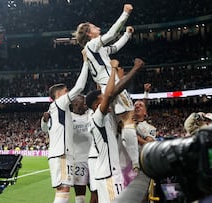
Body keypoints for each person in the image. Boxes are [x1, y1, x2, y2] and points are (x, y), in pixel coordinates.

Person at [74, 4, 140, 173]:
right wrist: (125, 14)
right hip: (113, 87)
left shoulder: (96, 50)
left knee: (116, 128)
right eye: (94, 27)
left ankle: (120, 164)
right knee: (128, 121)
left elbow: (115, 47)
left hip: (105, 91)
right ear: (89, 33)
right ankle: (136, 163)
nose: (98, 28)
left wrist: (127, 34)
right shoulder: (92, 46)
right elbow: (111, 34)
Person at [86, 58, 144, 203]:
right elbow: (111, 93)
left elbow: (115, 92)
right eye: (102, 99)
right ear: (96, 104)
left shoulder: (103, 118)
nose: (107, 100)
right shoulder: (97, 116)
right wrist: (115, 70)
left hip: (107, 173)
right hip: (109, 174)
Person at [44, 49, 89, 203]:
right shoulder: (60, 103)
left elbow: (44, 128)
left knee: (63, 189)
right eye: (66, 91)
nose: (69, 93)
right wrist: (86, 62)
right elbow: (80, 87)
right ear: (59, 94)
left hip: (61, 153)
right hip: (62, 153)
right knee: (63, 190)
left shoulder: (55, 109)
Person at [70, 95, 97, 203]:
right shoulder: (69, 117)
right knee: (80, 195)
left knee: (96, 191)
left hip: (94, 159)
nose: (86, 103)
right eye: (83, 101)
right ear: (75, 104)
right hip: (78, 161)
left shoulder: (90, 113)